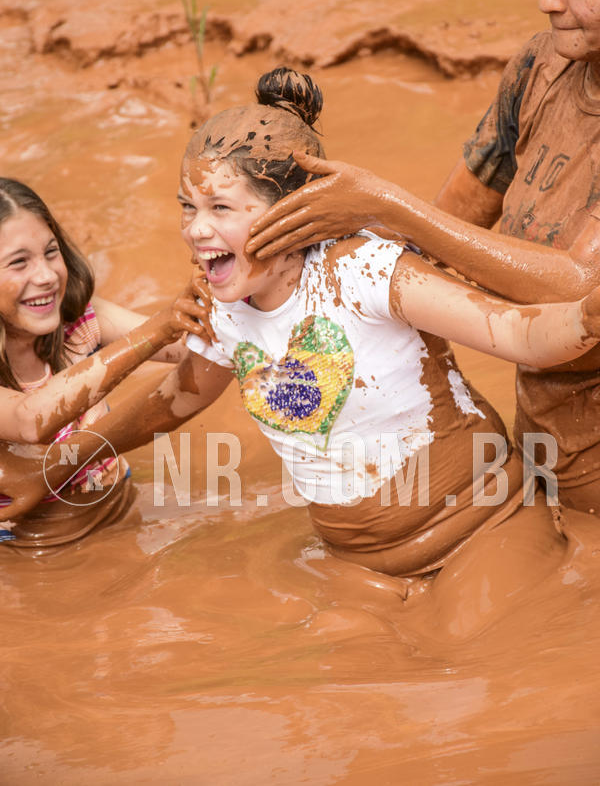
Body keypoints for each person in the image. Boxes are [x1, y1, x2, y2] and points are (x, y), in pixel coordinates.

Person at [11, 68, 600, 631]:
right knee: (339, 660)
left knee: (467, 646)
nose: (194, 230)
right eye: (187, 208)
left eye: (219, 208)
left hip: (484, 525)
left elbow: (518, 333)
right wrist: (66, 465)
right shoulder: (226, 309)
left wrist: (584, 316)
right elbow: (172, 404)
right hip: (357, 560)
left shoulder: (367, 270)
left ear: (294, 212)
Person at [245, 0, 600, 516]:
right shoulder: (541, 67)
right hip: (542, 432)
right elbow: (447, 224)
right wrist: (287, 283)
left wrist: (382, 204)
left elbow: (581, 291)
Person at [0, 177, 206, 549]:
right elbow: (30, 420)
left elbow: (192, 346)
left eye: (50, 252)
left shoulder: (80, 324)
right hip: (32, 553)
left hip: (121, 511)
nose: (46, 276)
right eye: (19, 263)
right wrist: (158, 329)